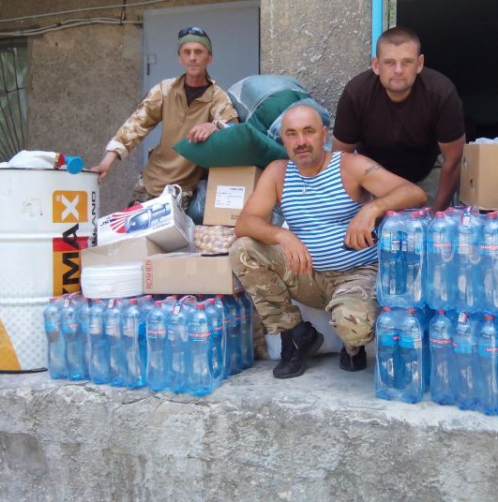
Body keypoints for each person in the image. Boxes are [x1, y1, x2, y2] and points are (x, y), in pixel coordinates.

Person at [229, 104, 427, 379]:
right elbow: (245, 223)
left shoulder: (349, 165)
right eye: (292, 134)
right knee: (243, 250)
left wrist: (372, 209)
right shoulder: (278, 172)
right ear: (283, 140)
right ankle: (297, 336)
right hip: (307, 274)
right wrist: (283, 235)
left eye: (308, 132)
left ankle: (352, 346)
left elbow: (414, 193)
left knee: (354, 326)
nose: (301, 142)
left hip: (356, 275)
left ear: (324, 135)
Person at [90, 27, 238, 207]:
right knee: (134, 232)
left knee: (168, 235)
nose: (192, 57)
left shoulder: (217, 97)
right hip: (150, 181)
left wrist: (213, 127)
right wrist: (107, 162)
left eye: (198, 52)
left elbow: (234, 132)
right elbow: (136, 124)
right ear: (180, 58)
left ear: (209, 58)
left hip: (182, 190)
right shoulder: (165, 90)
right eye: (187, 52)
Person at [332, 26, 465, 211]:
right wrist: (356, 210)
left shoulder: (441, 93)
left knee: (426, 235)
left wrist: (436, 215)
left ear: (419, 64)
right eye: (389, 62)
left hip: (426, 172)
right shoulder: (356, 93)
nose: (398, 70)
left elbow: (454, 159)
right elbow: (340, 159)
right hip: (373, 178)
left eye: (407, 62)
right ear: (376, 65)